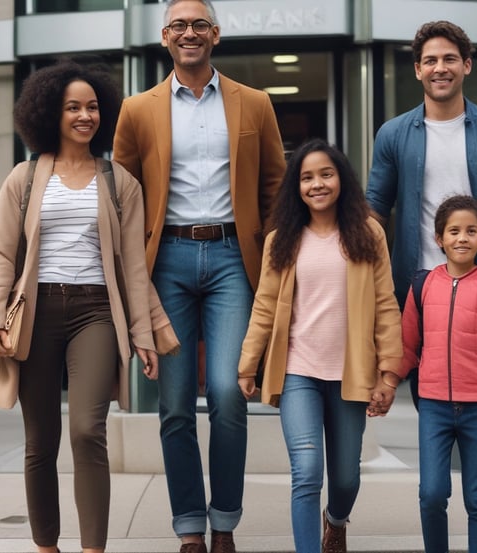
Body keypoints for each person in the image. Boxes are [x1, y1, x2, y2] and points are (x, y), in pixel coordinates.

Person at [0, 59, 179, 553]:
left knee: (89, 430)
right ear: (50, 113)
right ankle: (47, 546)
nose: (84, 115)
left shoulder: (118, 182)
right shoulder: (23, 179)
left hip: (95, 312)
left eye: (92, 107)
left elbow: (133, 268)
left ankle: (93, 549)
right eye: (73, 107)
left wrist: (143, 333)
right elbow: (1, 254)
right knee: (39, 441)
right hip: (35, 312)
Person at [112, 1, 287, 551]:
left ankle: (225, 519)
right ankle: (189, 523)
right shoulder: (137, 110)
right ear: (165, 37)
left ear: (216, 34)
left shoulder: (255, 104)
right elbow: (120, 200)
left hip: (236, 258)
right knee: (175, 402)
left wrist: (280, 260)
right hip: (167, 263)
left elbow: (276, 186)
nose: (190, 33)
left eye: (199, 25)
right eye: (179, 26)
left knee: (230, 394)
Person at [237, 138, 403, 553]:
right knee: (307, 472)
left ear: (341, 179)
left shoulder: (368, 234)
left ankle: (336, 519)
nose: (317, 184)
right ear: (296, 186)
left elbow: (386, 304)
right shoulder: (282, 240)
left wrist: (388, 373)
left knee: (346, 477)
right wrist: (247, 364)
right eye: (307, 177)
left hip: (352, 373)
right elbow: (264, 306)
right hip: (298, 373)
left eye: (326, 174)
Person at [366, 20, 477, 312]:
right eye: (430, 61)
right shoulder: (393, 134)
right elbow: (374, 211)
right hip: (415, 285)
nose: (440, 68)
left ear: (466, 65)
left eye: (449, 59)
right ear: (417, 70)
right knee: (419, 360)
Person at [400, 194, 477, 553]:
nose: (462, 238)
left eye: (471, 231)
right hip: (434, 407)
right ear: (438, 238)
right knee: (432, 493)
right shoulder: (423, 286)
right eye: (453, 231)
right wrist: (388, 382)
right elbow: (407, 345)